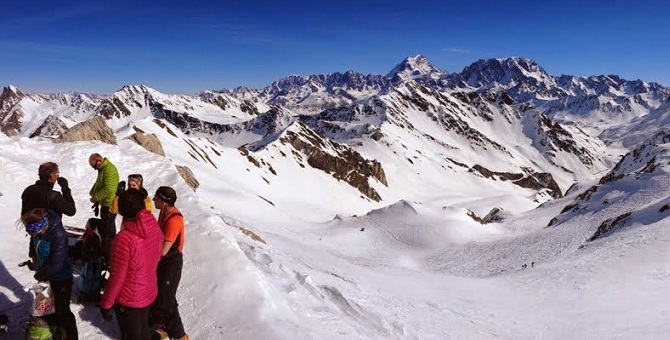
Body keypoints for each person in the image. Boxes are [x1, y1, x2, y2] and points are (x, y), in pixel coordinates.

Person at [100, 189, 163, 340]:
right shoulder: (154, 228)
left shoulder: (124, 238)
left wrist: (106, 303)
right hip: (148, 290)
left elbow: (117, 276)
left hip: (130, 299)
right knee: (143, 332)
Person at [21, 208, 79, 339]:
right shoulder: (38, 230)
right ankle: (55, 334)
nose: (32, 234)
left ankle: (71, 336)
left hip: (61, 279)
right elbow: (33, 240)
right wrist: (33, 255)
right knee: (48, 309)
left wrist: (40, 274)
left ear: (41, 226)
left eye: (33, 231)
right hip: (46, 276)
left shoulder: (58, 234)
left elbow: (56, 263)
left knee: (62, 312)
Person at [150, 186, 188, 340]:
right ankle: (166, 326)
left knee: (167, 298)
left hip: (171, 263)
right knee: (166, 296)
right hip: (165, 262)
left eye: (156, 198)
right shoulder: (164, 212)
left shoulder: (174, 221)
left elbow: (163, 251)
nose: (153, 200)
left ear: (164, 201)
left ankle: (180, 335)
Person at [88, 153, 119, 267]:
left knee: (108, 234)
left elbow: (110, 189)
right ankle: (106, 256)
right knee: (105, 232)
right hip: (105, 205)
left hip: (109, 206)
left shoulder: (109, 169)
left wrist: (96, 197)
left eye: (94, 166)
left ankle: (110, 260)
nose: (95, 168)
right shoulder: (103, 169)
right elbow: (99, 183)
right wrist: (93, 192)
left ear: (99, 161)